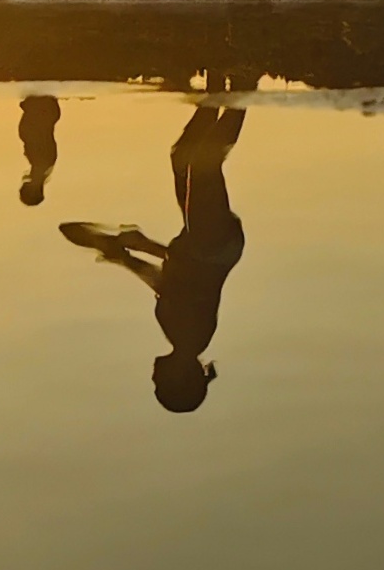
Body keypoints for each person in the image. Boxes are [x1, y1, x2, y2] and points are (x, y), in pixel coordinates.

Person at [60, 97, 248, 411]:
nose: (153, 377)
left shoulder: (182, 337)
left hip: (206, 245)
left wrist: (126, 259)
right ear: (181, 378)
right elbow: (184, 276)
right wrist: (142, 246)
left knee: (183, 158)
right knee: (204, 162)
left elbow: (164, 283)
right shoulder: (191, 337)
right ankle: (243, 92)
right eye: (160, 383)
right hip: (210, 246)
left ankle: (216, 90)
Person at [17, 94, 60, 206]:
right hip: (41, 109)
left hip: (41, 110)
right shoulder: (42, 163)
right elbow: (40, 134)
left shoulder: (43, 165)